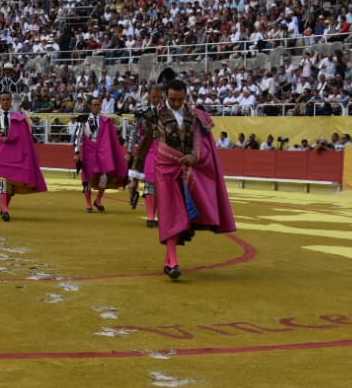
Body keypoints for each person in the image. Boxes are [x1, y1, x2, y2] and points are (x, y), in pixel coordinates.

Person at [134, 77, 237, 280]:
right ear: (166, 96)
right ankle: (173, 262)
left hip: (188, 171)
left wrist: (195, 157)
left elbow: (206, 146)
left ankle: (168, 260)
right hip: (165, 170)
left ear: (185, 96)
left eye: (180, 99)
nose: (176, 103)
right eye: (172, 99)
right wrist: (136, 173)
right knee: (171, 214)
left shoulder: (196, 117)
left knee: (182, 216)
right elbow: (146, 144)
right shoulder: (155, 116)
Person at [0, 91, 47, 222]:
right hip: (1, 153)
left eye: (8, 99)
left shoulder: (20, 118)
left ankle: (4, 206)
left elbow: (26, 137)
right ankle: (5, 209)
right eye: (3, 99)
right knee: (2, 180)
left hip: (15, 154)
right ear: (0, 101)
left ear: (11, 101)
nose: (6, 102)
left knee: (11, 184)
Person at [73, 94, 128, 213]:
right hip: (89, 152)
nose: (96, 107)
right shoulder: (83, 119)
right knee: (87, 178)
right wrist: (76, 152)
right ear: (90, 106)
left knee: (104, 177)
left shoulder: (106, 121)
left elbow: (112, 137)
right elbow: (78, 136)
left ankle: (98, 200)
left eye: (98, 105)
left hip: (102, 152)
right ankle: (88, 203)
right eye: (94, 105)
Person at [126, 82, 165, 227]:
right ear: (149, 96)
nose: (156, 100)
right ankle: (146, 211)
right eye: (153, 97)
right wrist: (130, 151)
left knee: (157, 183)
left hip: (161, 148)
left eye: (158, 97)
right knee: (142, 181)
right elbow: (134, 131)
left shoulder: (165, 110)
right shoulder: (141, 110)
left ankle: (154, 216)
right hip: (146, 148)